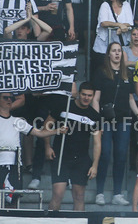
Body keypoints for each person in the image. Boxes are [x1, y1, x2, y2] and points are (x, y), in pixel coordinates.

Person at [47, 82, 102, 212]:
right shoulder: (64, 106)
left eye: (89, 95)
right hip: (61, 156)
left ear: (93, 96)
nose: (86, 98)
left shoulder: (95, 116)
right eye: (83, 94)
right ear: (78, 93)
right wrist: (47, 147)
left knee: (79, 196)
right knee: (58, 194)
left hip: (81, 159)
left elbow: (97, 142)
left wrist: (95, 165)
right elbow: (47, 126)